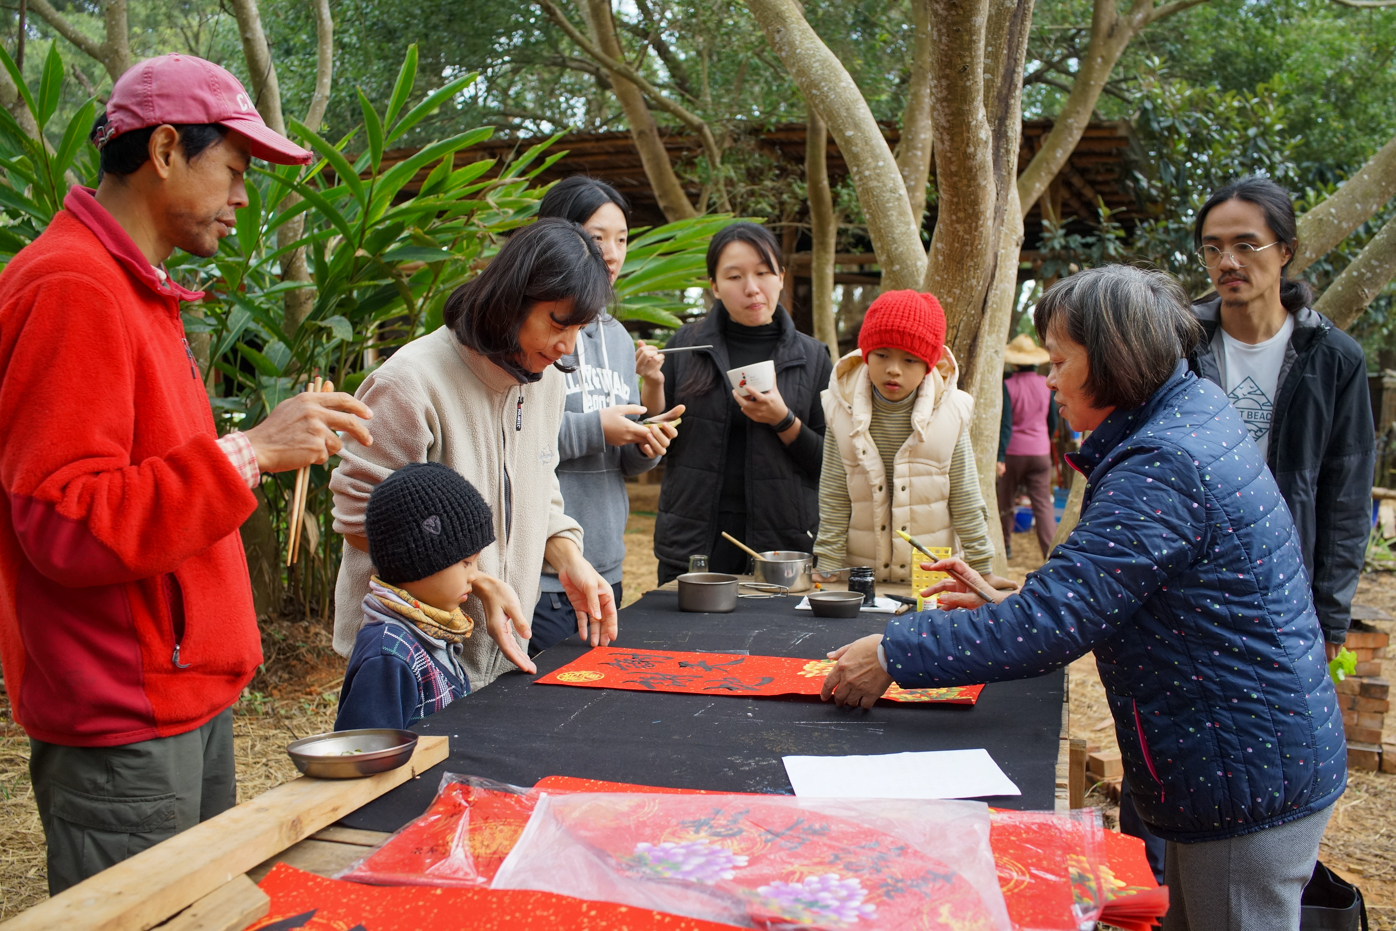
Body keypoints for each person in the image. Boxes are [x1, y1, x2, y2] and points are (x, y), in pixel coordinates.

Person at [822, 265, 1345, 931]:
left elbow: (1052, 625)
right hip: (1242, 753)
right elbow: (1110, 585)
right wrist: (1012, 595)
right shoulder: (1187, 416)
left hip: (1243, 770)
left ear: (1115, 362)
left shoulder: (1164, 463)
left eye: (1060, 360)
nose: (1048, 380)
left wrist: (894, 650)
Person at [0, 54, 374, 892]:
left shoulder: (132, 289)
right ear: (165, 148)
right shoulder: (72, 288)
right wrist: (252, 453)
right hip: (123, 717)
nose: (244, 197)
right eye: (235, 170)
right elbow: (65, 520)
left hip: (176, 698)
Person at [330, 218, 620, 687]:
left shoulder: (546, 380)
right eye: (558, 322)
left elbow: (538, 486)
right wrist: (477, 581)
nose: (567, 346)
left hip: (503, 654)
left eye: (580, 329)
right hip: (406, 659)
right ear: (512, 298)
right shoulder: (408, 383)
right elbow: (361, 519)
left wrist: (570, 560)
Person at [1189, 176, 1374, 661]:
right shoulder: (1176, 348)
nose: (1227, 262)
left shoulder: (1334, 358)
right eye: (1213, 249)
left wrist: (1331, 615)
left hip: (1284, 584)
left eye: (1246, 244)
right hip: (1188, 580)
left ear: (1286, 249)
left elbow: (1346, 496)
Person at [530, 178, 681, 653]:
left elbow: (627, 463)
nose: (612, 254)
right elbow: (509, 441)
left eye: (621, 239)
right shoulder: (531, 328)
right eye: (597, 238)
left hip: (606, 564)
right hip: (544, 571)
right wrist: (598, 428)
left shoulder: (616, 336)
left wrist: (645, 443)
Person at [645, 222, 833, 584]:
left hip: (781, 545)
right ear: (714, 286)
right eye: (734, 277)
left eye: (763, 273)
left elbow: (829, 465)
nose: (752, 288)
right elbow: (655, 443)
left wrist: (783, 420)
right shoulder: (686, 346)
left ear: (781, 276)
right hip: (693, 542)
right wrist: (653, 383)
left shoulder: (814, 357)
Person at [812, 289, 1003, 586]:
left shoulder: (950, 412)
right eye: (882, 355)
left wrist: (982, 568)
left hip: (929, 576)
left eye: (910, 360)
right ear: (866, 354)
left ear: (928, 364)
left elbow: (965, 497)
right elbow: (834, 495)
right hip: (861, 574)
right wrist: (827, 564)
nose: (893, 369)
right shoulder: (840, 410)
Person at [337, 463, 493, 730]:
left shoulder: (434, 630)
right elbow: (366, 753)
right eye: (466, 563)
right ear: (418, 561)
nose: (474, 576)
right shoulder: (388, 656)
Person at [996, 334, 1058, 560]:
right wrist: (1044, 440)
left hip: (1013, 453)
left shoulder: (1007, 385)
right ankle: (1050, 554)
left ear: (1013, 362)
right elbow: (1052, 421)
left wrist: (1000, 455)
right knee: (1042, 506)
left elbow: (1005, 424)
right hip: (1040, 452)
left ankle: (1005, 548)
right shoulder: (1046, 384)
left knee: (1006, 500)